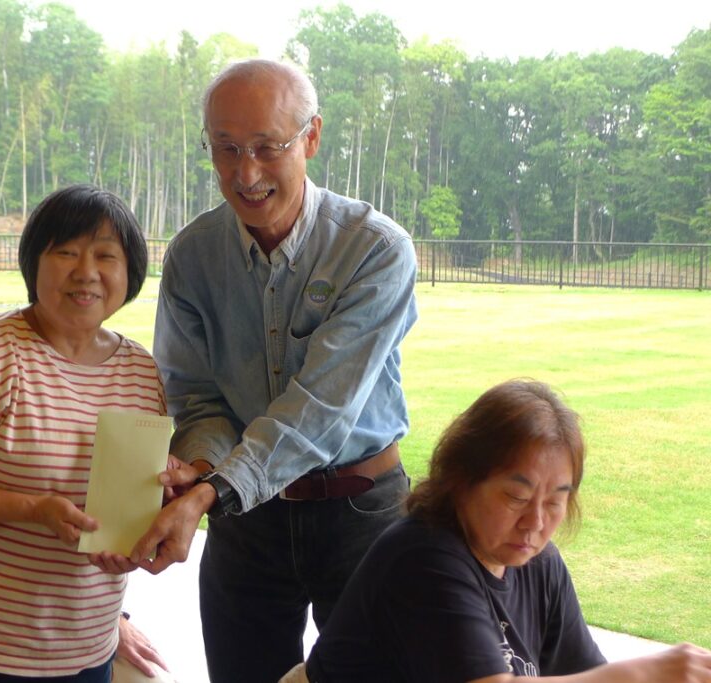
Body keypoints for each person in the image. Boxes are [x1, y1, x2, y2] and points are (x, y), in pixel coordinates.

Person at [131, 59, 418, 682]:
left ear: (311, 137)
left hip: (361, 510)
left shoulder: (374, 249)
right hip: (246, 524)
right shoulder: (192, 256)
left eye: (267, 147)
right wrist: (200, 466)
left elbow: (321, 406)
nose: (246, 173)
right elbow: (197, 398)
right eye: (227, 148)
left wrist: (211, 490)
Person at [0, 185, 166, 682]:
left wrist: (152, 514)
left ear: (131, 272)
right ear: (32, 263)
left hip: (87, 641)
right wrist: (35, 509)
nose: (86, 272)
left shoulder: (139, 371)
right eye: (66, 253)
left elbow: (134, 490)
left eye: (106, 256)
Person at [290, 379, 711, 683]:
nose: (536, 523)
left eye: (555, 502)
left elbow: (585, 672)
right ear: (461, 481)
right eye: (516, 497)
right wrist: (641, 673)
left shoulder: (539, 564)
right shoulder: (424, 557)